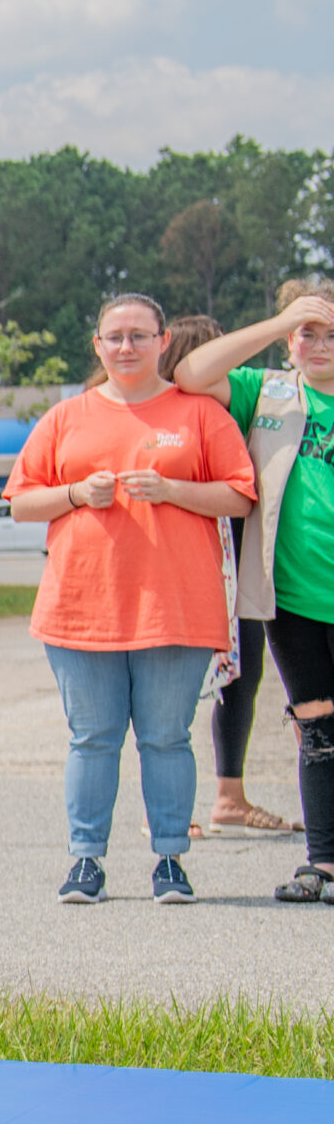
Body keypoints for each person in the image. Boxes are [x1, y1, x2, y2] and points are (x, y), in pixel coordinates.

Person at [5, 293, 256, 906]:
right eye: (114, 336)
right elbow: (20, 501)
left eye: (140, 336)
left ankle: (170, 859)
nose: (126, 347)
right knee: (92, 737)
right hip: (81, 606)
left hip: (174, 605)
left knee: (167, 738)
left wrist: (173, 488)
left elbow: (241, 495)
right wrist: (73, 494)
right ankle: (85, 862)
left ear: (163, 341)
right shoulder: (67, 417)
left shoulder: (198, 414)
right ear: (97, 345)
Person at [173, 285, 334, 901]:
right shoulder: (269, 393)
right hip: (292, 596)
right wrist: (279, 321)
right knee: (316, 728)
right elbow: (191, 372)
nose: (318, 346)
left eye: (329, 334)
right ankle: (323, 861)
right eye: (307, 335)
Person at [158, 313, 293, 839]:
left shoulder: (237, 413)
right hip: (190, 559)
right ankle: (169, 806)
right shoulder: (172, 418)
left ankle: (229, 796)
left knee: (243, 672)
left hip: (242, 556)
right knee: (179, 680)